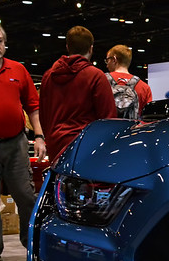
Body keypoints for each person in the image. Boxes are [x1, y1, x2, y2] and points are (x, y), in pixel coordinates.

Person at [0, 21, 45, 261]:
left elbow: (33, 106)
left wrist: (39, 136)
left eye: (0, 40)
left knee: (26, 195)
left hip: (16, 142)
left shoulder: (18, 70)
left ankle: (31, 244)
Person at [39, 26, 117, 161]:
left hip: (56, 146)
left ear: (68, 46)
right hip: (86, 148)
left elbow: (43, 116)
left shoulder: (48, 76)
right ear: (91, 48)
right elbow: (108, 118)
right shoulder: (96, 76)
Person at [105, 44, 152, 117]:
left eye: (107, 60)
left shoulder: (101, 80)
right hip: (133, 127)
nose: (106, 65)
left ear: (114, 59)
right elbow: (147, 118)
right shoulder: (144, 87)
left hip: (106, 127)